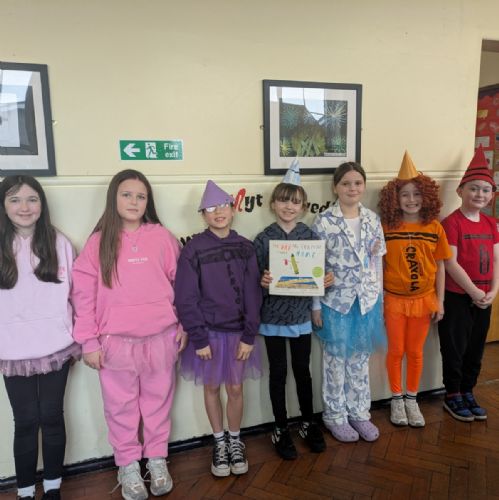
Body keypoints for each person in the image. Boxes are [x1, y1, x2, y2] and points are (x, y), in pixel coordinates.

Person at [71, 169, 185, 500]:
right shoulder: (98, 242)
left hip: (161, 339)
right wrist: (88, 341)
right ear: (114, 198)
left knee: (158, 404)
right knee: (120, 408)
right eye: (127, 194)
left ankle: (157, 459)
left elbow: (182, 286)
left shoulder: (162, 237)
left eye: (141, 196)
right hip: (114, 344)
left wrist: (184, 326)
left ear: (148, 201)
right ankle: (128, 464)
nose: (134, 201)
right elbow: (83, 295)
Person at [174, 180, 262, 477]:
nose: (218, 212)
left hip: (239, 333)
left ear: (233, 210)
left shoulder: (245, 247)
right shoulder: (193, 249)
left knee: (235, 387)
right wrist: (199, 338)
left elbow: (253, 293)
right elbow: (186, 297)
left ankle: (235, 440)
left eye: (223, 205)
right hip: (208, 333)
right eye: (210, 208)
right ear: (203, 214)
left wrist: (249, 335)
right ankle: (219, 442)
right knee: (211, 386)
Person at [0, 175, 80, 500]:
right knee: (25, 421)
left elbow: (76, 294)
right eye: (15, 199)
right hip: (11, 349)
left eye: (32, 199)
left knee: (51, 416)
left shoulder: (59, 242)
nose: (24, 207)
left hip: (55, 346)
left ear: (42, 204)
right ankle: (24, 491)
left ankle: (52, 487)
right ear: (3, 205)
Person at [253, 161, 331, 460]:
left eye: (295, 202)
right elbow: (253, 281)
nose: (289, 206)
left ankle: (308, 422)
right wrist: (262, 282)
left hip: (300, 317)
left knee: (302, 371)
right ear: (273, 203)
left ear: (303, 207)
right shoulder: (263, 238)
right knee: (278, 373)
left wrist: (321, 290)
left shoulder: (310, 237)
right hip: (273, 316)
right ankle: (280, 427)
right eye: (284, 200)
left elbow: (317, 274)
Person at [311, 162, 386, 443]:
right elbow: (314, 266)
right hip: (335, 303)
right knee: (335, 360)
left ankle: (359, 412)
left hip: (365, 302)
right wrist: (315, 305)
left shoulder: (372, 219)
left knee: (359, 360)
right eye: (345, 183)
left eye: (357, 183)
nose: (352, 188)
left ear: (364, 186)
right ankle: (335, 415)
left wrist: (379, 299)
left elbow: (377, 262)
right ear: (335, 187)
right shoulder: (324, 221)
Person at [378, 152, 451, 427]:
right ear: (394, 198)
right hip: (394, 300)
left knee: (416, 351)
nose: (411, 200)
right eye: (405, 194)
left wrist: (440, 301)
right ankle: (396, 398)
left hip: (423, 300)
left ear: (426, 196)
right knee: (396, 350)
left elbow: (441, 266)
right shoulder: (386, 227)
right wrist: (379, 298)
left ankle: (412, 398)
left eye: (416, 194)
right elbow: (378, 265)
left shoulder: (435, 228)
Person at [438, 145, 499, 422]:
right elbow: (450, 262)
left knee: (476, 348)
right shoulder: (452, 223)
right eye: (473, 189)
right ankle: (452, 394)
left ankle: (467, 390)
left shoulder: (491, 224)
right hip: (458, 297)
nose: (479, 194)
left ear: (492, 195)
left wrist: (493, 291)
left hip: (484, 298)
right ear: (460, 191)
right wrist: (474, 291)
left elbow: (496, 259)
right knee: (455, 347)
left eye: (485, 190)